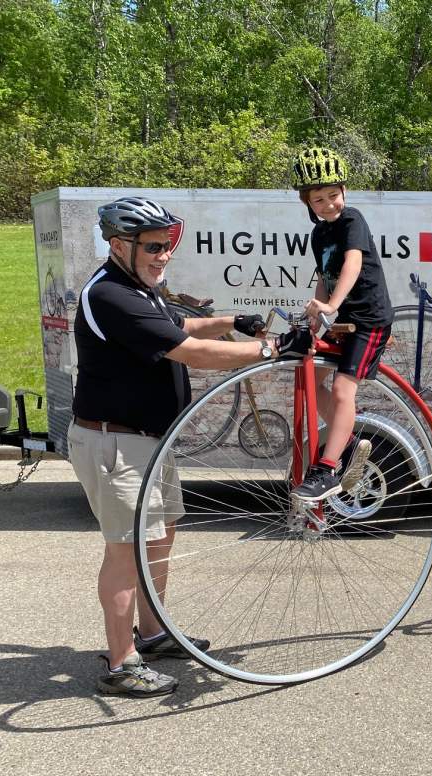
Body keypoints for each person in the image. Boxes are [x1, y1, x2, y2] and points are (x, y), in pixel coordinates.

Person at [69, 196, 314, 697]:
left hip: (149, 442)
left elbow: (182, 327)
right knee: (125, 554)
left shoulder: (140, 287)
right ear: (119, 245)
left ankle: (154, 634)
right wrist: (271, 349)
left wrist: (231, 321)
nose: (164, 255)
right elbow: (189, 351)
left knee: (158, 538)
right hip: (116, 442)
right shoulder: (111, 296)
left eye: (168, 245)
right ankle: (121, 663)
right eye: (154, 246)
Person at [290, 146, 394, 502]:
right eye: (318, 200)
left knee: (341, 390)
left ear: (344, 192)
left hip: (369, 318)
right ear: (308, 204)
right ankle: (347, 441)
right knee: (312, 381)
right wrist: (319, 311)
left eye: (333, 195)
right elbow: (326, 276)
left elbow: (351, 264)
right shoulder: (319, 235)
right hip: (344, 320)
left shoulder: (352, 220)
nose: (328, 204)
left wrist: (333, 304)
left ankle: (327, 469)